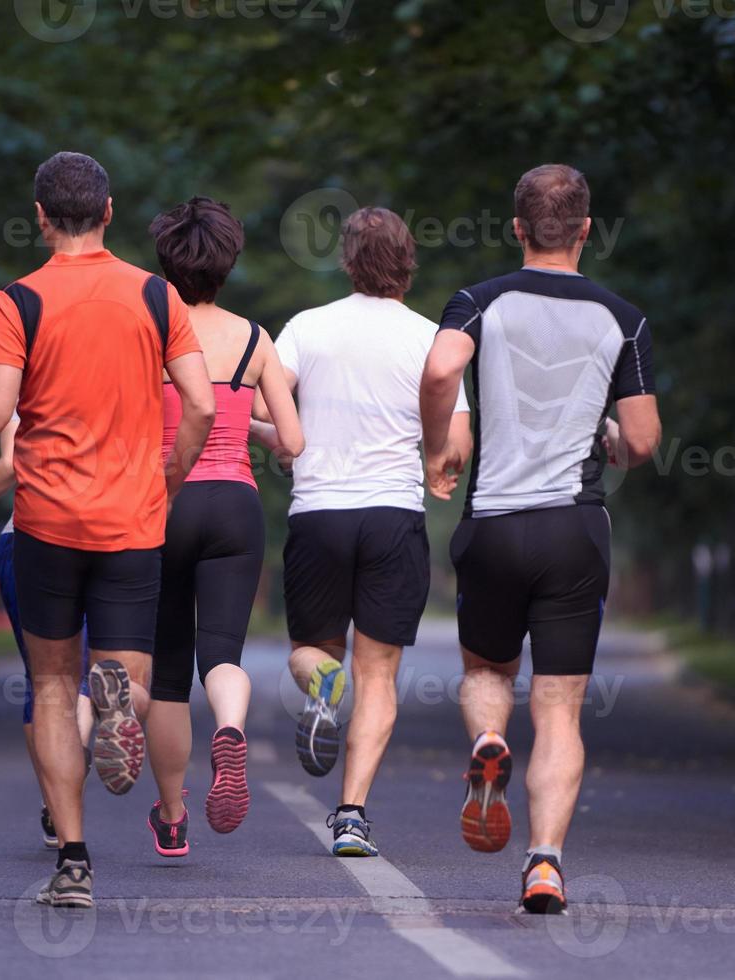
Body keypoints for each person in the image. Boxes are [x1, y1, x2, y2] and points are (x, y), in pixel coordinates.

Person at [0, 151, 216, 908]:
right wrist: (167, 480)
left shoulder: (17, 301)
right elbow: (205, 408)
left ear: (42, 218)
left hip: (47, 522)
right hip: (131, 519)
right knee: (130, 681)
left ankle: (74, 864)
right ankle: (121, 706)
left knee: (52, 686)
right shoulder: (156, 296)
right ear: (110, 212)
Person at [420, 164, 662, 914]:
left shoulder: (478, 301)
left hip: (493, 526)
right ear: (587, 230)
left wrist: (439, 444)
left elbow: (438, 369)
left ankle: (487, 741)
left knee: (487, 669)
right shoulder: (622, 317)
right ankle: (546, 862)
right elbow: (646, 441)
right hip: (573, 530)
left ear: (517, 227)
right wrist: (612, 436)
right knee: (558, 706)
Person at [276, 207, 471, 858]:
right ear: (406, 263)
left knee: (311, 651)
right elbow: (458, 442)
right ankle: (352, 814)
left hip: (318, 514)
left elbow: (262, 406)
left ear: (347, 259)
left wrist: (286, 441)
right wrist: (439, 462)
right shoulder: (430, 339)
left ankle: (323, 688)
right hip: (393, 517)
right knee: (379, 676)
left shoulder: (306, 327)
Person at [141, 197, 303, 856]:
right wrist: (247, 423)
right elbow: (291, 442)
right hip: (234, 505)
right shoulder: (255, 339)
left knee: (168, 673)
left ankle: (173, 818)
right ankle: (230, 726)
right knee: (223, 656)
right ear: (227, 265)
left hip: (163, 502)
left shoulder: (145, 333)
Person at [0, 412, 93, 850]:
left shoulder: (28, 390)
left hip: (28, 538)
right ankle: (80, 748)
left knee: (44, 679)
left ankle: (56, 798)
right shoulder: (119, 380)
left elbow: (13, 463)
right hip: (101, 536)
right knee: (83, 675)